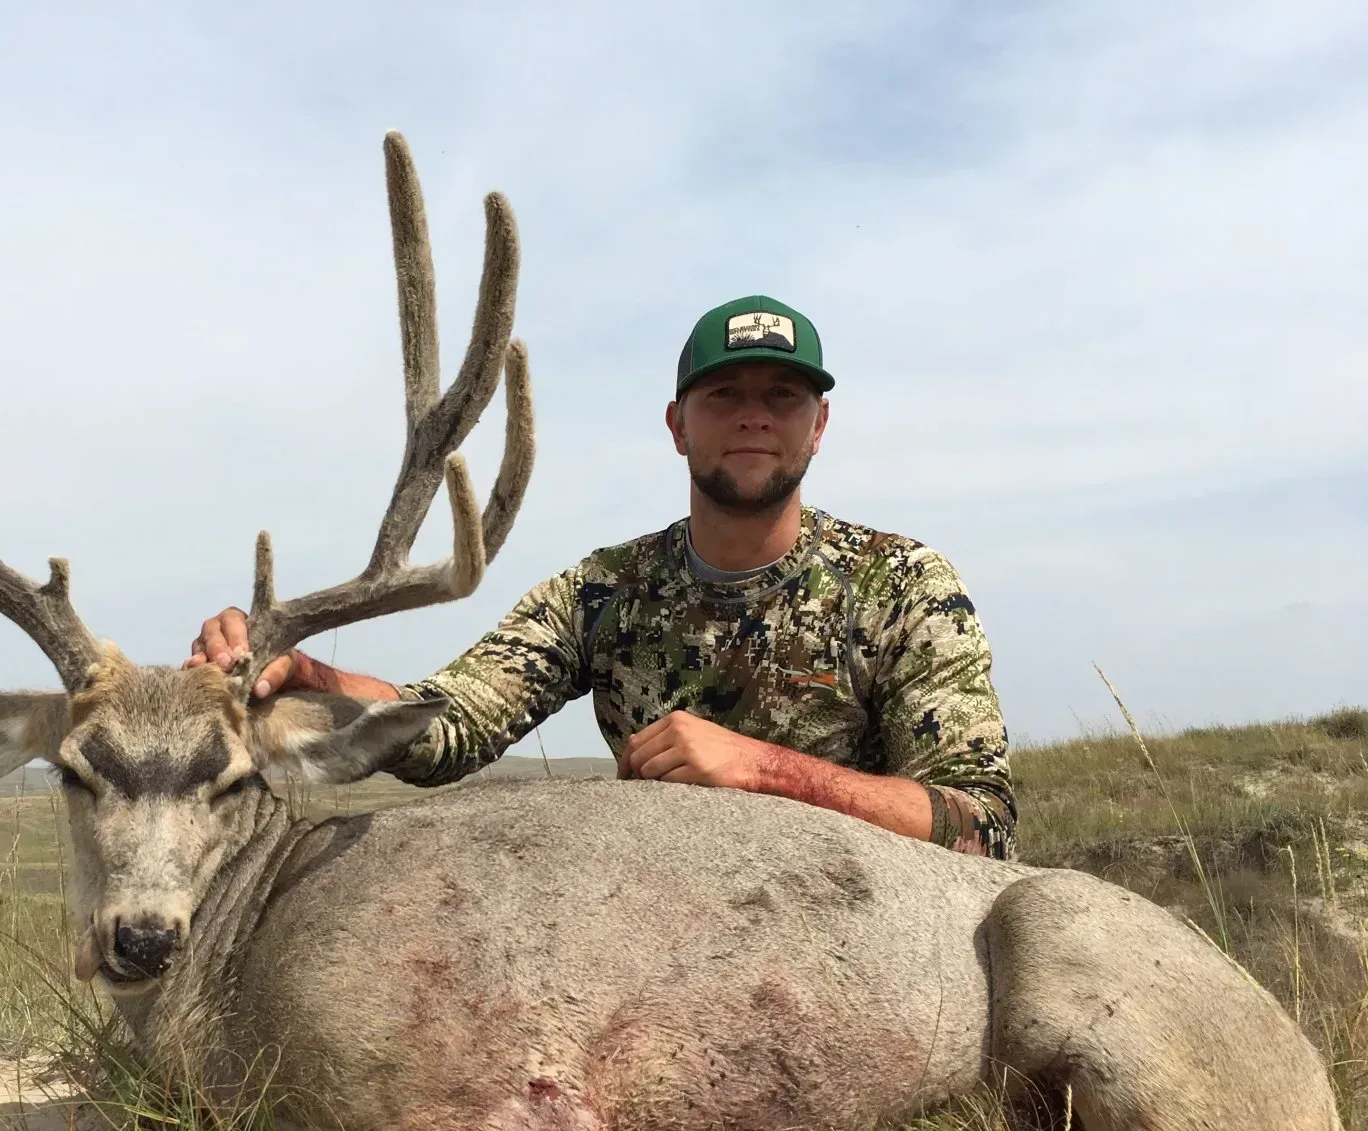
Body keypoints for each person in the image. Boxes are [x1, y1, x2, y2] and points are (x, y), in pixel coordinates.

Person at [188, 296, 1016, 858]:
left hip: (871, 932)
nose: (756, 415)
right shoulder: (603, 593)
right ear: (678, 426)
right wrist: (305, 672)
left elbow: (983, 828)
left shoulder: (903, 584)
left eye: (784, 396)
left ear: (819, 425)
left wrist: (764, 771)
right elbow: (449, 727)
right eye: (724, 394)